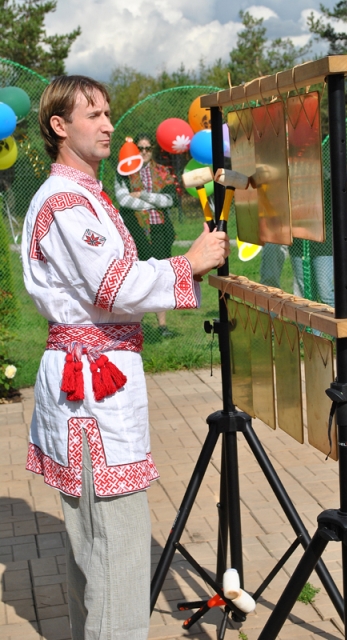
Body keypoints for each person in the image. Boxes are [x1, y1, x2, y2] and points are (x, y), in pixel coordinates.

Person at [21, 75, 229, 640]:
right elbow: (113, 286)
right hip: (91, 390)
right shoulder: (65, 200)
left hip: (97, 382)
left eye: (108, 113)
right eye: (93, 115)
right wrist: (189, 263)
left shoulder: (85, 194)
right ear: (59, 126)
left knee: (97, 552)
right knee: (117, 554)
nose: (109, 125)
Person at [260, 165, 347, 307]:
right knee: (304, 290)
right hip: (299, 243)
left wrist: (339, 170)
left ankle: (333, 320)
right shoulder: (292, 192)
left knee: (325, 291)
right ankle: (308, 322)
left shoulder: (327, 187)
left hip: (322, 245)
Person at [114, 134, 178, 337]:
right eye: (140, 148)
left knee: (160, 275)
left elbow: (171, 200)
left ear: (152, 150)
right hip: (135, 230)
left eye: (147, 148)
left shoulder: (163, 172)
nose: (143, 152)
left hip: (159, 229)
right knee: (137, 276)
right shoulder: (123, 172)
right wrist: (155, 203)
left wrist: (143, 195)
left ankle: (162, 326)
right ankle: (135, 324)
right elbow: (124, 200)